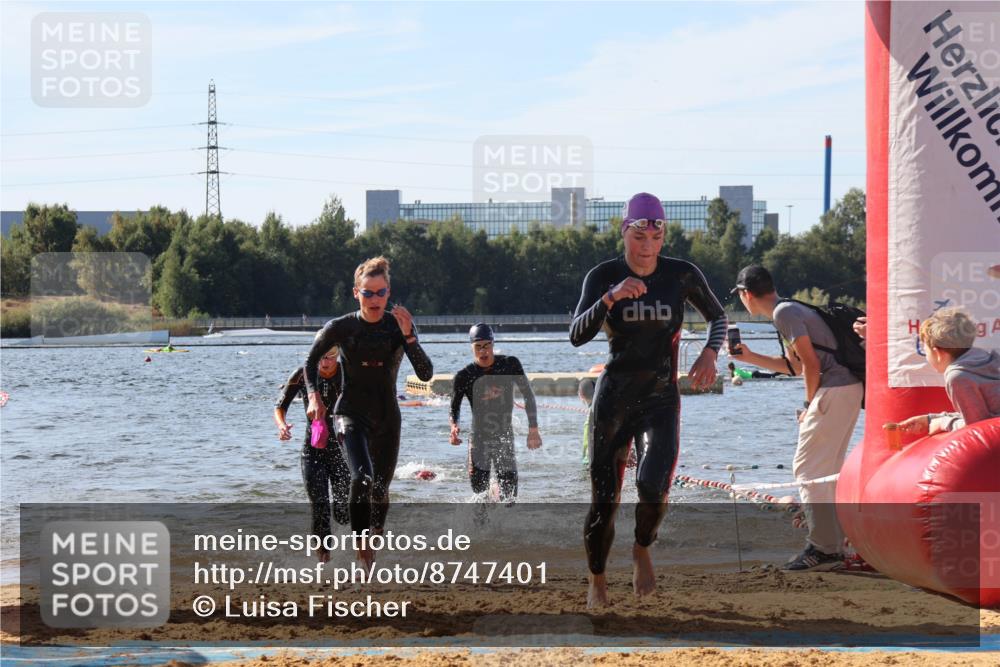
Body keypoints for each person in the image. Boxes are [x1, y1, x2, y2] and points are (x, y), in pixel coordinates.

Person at [569, 192, 727, 607]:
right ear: (625, 234)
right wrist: (611, 298)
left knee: (653, 487)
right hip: (613, 401)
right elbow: (576, 335)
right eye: (638, 236)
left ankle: (642, 547)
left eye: (654, 237)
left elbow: (719, 317)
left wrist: (711, 351)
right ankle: (597, 580)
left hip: (661, 399)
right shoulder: (603, 276)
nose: (646, 246)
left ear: (663, 238)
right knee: (605, 502)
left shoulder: (681, 275)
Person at [730, 265, 862, 571]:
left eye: (740, 296)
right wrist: (749, 358)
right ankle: (836, 544)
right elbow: (796, 367)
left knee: (806, 470)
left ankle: (823, 548)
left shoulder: (783, 314)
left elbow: (813, 366)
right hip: (847, 390)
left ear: (746, 294)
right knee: (826, 472)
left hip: (833, 390)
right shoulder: (790, 309)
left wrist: (808, 405)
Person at [304, 256, 434, 566]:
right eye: (368, 293)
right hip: (350, 413)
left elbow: (426, 374)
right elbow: (310, 362)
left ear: (389, 292)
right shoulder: (341, 327)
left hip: (388, 417)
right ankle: (361, 546)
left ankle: (375, 529)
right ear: (356, 293)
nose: (375, 300)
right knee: (361, 479)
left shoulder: (398, 325)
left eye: (381, 293)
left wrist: (409, 336)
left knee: (379, 489)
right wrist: (312, 396)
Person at [274, 340, 349, 563]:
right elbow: (280, 406)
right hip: (312, 450)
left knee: (343, 511)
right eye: (321, 357)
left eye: (330, 357)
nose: (325, 363)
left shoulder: (348, 373)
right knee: (319, 507)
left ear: (338, 355)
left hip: (342, 450)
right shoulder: (303, 374)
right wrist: (281, 425)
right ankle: (323, 560)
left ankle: (351, 549)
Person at [449, 323, 541, 502]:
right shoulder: (464, 376)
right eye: (478, 347)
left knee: (510, 498)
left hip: (504, 436)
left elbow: (528, 395)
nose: (483, 351)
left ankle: (504, 524)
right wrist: (454, 426)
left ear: (493, 344)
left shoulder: (509, 364)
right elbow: (454, 406)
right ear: (472, 348)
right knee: (479, 497)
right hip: (478, 439)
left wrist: (533, 429)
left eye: (487, 346)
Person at [893, 307, 999, 435]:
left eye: (925, 350)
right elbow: (983, 413)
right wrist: (930, 419)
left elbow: (976, 426)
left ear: (937, 352)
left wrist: (942, 423)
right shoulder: (987, 358)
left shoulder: (958, 376)